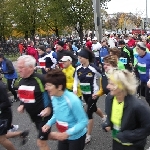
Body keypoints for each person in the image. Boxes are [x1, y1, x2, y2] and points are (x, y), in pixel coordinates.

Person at [102, 69, 150, 150]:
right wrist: (107, 123)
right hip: (116, 141)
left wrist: (126, 135)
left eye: (112, 84)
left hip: (133, 146)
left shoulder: (138, 106)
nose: (107, 86)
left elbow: (147, 128)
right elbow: (110, 117)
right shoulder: (109, 99)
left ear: (122, 86)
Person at [42, 69, 88, 150]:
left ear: (59, 87)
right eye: (46, 85)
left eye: (49, 85)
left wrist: (68, 133)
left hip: (76, 137)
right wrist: (49, 124)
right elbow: (57, 113)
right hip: (63, 134)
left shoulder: (73, 100)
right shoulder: (53, 96)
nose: (46, 88)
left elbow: (83, 121)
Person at [17, 55, 53, 150]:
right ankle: (67, 136)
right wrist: (22, 104)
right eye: (18, 67)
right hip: (34, 117)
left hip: (44, 117)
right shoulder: (21, 81)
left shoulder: (41, 78)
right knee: (46, 136)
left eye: (21, 67)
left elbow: (53, 93)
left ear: (31, 67)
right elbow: (24, 96)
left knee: (41, 142)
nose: (19, 69)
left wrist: (49, 107)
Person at [73, 48, 105, 143]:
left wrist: (100, 90)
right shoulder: (78, 68)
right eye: (78, 57)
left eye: (81, 57)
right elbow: (75, 79)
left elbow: (102, 77)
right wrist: (75, 88)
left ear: (86, 58)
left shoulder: (93, 68)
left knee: (89, 113)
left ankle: (88, 135)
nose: (79, 59)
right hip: (84, 93)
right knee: (93, 107)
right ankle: (103, 117)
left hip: (93, 94)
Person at [0, 74, 29, 150]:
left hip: (4, 115)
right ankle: (21, 133)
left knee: (1, 138)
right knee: (2, 135)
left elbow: (7, 103)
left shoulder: (0, 86)